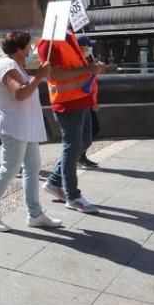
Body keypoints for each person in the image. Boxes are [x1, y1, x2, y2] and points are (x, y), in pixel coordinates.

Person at [0, 31, 60, 232]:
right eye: (28, 46)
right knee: (9, 169)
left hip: (23, 126)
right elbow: (20, 93)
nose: (31, 49)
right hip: (14, 127)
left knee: (32, 169)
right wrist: (40, 76)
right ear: (19, 48)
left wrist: (37, 76)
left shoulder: (13, 65)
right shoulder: (7, 66)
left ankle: (35, 213)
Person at [39, 28, 105, 213]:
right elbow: (53, 75)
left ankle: (54, 182)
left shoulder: (68, 37)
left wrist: (92, 69)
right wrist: (88, 69)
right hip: (67, 102)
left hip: (80, 99)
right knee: (73, 146)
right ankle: (73, 196)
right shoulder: (49, 41)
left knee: (84, 141)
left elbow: (77, 67)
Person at [76, 34, 102, 169]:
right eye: (87, 46)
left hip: (88, 101)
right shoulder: (79, 62)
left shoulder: (86, 61)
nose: (89, 49)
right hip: (84, 102)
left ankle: (81, 156)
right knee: (89, 131)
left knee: (92, 129)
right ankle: (77, 157)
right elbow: (85, 82)